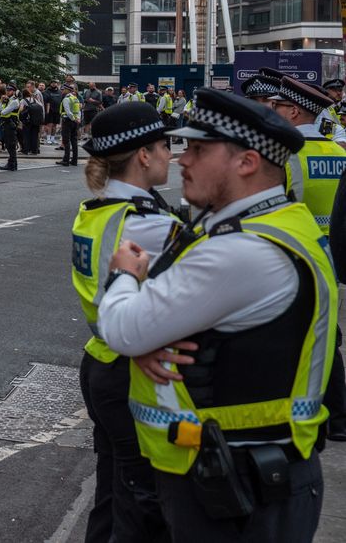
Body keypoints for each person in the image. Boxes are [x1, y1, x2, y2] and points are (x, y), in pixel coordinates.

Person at [98, 89, 334, 540]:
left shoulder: (242, 251)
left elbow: (124, 329)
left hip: (237, 481)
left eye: (199, 150)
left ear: (245, 162)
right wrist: (150, 334)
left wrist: (125, 276)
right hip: (237, 469)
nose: (183, 160)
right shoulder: (259, 223)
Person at [70, 102, 177, 543]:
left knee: (114, 496)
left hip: (101, 364)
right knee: (142, 506)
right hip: (129, 371)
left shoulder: (97, 210)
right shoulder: (145, 223)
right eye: (166, 145)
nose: (173, 155)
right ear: (144, 156)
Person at [268, 76, 346, 442]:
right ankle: (339, 416)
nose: (275, 112)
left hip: (294, 256)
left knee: (296, 339)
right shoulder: (339, 152)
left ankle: (306, 414)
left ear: (295, 111)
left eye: (280, 107)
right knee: (327, 333)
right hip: (332, 258)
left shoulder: (287, 157)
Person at [0, 85, 22, 171]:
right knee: (9, 144)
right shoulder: (8, 100)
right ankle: (12, 164)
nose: (7, 92)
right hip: (6, 124)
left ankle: (12, 164)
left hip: (10, 124)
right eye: (7, 90)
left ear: (14, 91)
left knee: (10, 145)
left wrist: (2, 109)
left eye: (10, 90)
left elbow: (3, 112)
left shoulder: (14, 101)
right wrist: (1, 101)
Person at [59, 82, 83, 167]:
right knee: (74, 141)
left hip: (67, 121)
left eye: (62, 89)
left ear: (66, 90)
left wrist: (73, 118)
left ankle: (66, 160)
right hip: (75, 122)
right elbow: (78, 110)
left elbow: (68, 111)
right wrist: (78, 119)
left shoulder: (66, 98)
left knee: (66, 140)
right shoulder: (75, 98)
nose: (61, 91)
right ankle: (74, 160)